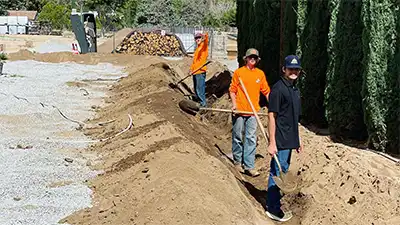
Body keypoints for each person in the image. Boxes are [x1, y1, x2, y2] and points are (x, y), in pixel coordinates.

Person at [265, 55, 303, 222]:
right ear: (284, 70)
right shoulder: (278, 89)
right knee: (277, 173)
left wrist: (297, 141)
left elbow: (293, 118)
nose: (293, 72)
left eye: (296, 69)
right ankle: (273, 209)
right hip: (280, 140)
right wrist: (272, 142)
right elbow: (272, 116)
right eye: (290, 69)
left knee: (283, 171)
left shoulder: (294, 90)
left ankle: (275, 204)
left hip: (290, 140)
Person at [229, 48, 270, 177]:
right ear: (246, 58)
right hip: (240, 110)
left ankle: (249, 166)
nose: (253, 59)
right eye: (250, 57)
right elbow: (232, 90)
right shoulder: (239, 73)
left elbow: (266, 91)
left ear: (257, 60)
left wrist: (273, 106)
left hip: (253, 112)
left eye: (255, 57)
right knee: (237, 136)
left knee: (251, 138)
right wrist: (234, 105)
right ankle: (237, 162)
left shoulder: (260, 74)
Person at [190, 32, 209, 107]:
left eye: (199, 38)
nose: (197, 39)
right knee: (196, 89)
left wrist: (205, 36)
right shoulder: (197, 49)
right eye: (196, 38)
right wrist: (191, 70)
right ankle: (199, 103)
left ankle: (203, 105)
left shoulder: (204, 47)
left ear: (201, 39)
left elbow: (206, 40)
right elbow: (194, 62)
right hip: (195, 72)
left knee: (200, 89)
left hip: (200, 72)